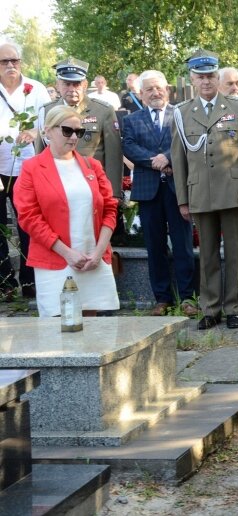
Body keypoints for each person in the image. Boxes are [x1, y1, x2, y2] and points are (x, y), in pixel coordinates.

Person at [171, 49, 238, 330]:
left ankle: (234, 307)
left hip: (232, 191)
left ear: (218, 78)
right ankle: (210, 308)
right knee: (206, 255)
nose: (206, 82)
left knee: (235, 253)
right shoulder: (181, 114)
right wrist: (183, 199)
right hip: (200, 193)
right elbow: (178, 159)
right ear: (192, 79)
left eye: (211, 76)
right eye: (200, 77)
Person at [15, 105, 119, 316]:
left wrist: (99, 252)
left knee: (92, 324)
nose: (73, 137)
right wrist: (67, 253)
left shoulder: (92, 166)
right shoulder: (31, 169)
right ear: (48, 131)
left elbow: (110, 209)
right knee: (57, 327)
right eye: (67, 130)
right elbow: (29, 217)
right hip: (55, 259)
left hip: (93, 258)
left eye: (79, 132)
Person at [122, 70, 197, 317]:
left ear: (167, 90)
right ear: (141, 94)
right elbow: (129, 146)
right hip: (148, 190)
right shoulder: (132, 120)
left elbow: (186, 142)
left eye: (158, 88)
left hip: (178, 189)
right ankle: (162, 298)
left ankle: (188, 297)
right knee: (154, 247)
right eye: (149, 89)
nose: (155, 93)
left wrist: (167, 156)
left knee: (183, 244)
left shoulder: (181, 114)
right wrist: (154, 160)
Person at [0, 41, 51, 300]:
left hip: (28, 167)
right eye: (4, 61)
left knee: (28, 224)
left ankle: (31, 281)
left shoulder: (37, 89)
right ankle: (5, 282)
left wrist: (34, 131)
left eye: (15, 61)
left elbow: (52, 121)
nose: (11, 66)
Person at [36, 58, 124, 201]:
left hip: (92, 186)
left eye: (76, 84)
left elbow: (114, 155)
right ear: (58, 85)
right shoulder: (46, 111)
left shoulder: (103, 110)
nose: (72, 89)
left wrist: (114, 193)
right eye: (66, 84)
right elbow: (40, 153)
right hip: (56, 187)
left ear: (85, 84)